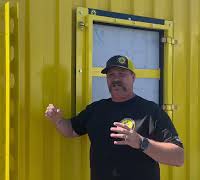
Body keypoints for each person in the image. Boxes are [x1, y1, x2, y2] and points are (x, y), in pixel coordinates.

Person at [45, 55, 184, 180]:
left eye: (122, 74)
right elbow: (71, 130)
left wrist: (141, 142)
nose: (116, 79)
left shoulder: (150, 111)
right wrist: (58, 120)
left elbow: (178, 157)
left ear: (133, 78)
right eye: (111, 75)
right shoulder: (96, 109)